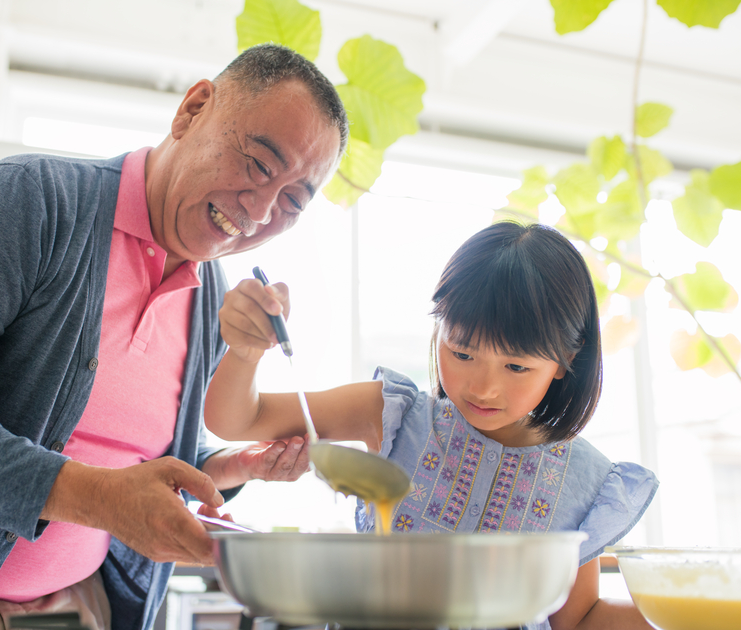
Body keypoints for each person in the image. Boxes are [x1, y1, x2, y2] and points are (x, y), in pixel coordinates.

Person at [0, 44, 348, 630]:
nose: (259, 212)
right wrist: (100, 498)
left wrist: (234, 466)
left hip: (72, 607)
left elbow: (128, 454)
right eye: (259, 164)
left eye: (292, 201)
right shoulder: (31, 201)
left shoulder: (210, 297)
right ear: (193, 109)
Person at [205, 221, 660, 630]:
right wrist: (246, 352)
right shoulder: (391, 417)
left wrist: (697, 612)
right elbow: (237, 419)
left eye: (516, 367)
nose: (483, 388)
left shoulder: (585, 483)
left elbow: (577, 620)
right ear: (438, 332)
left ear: (565, 363)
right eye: (462, 354)